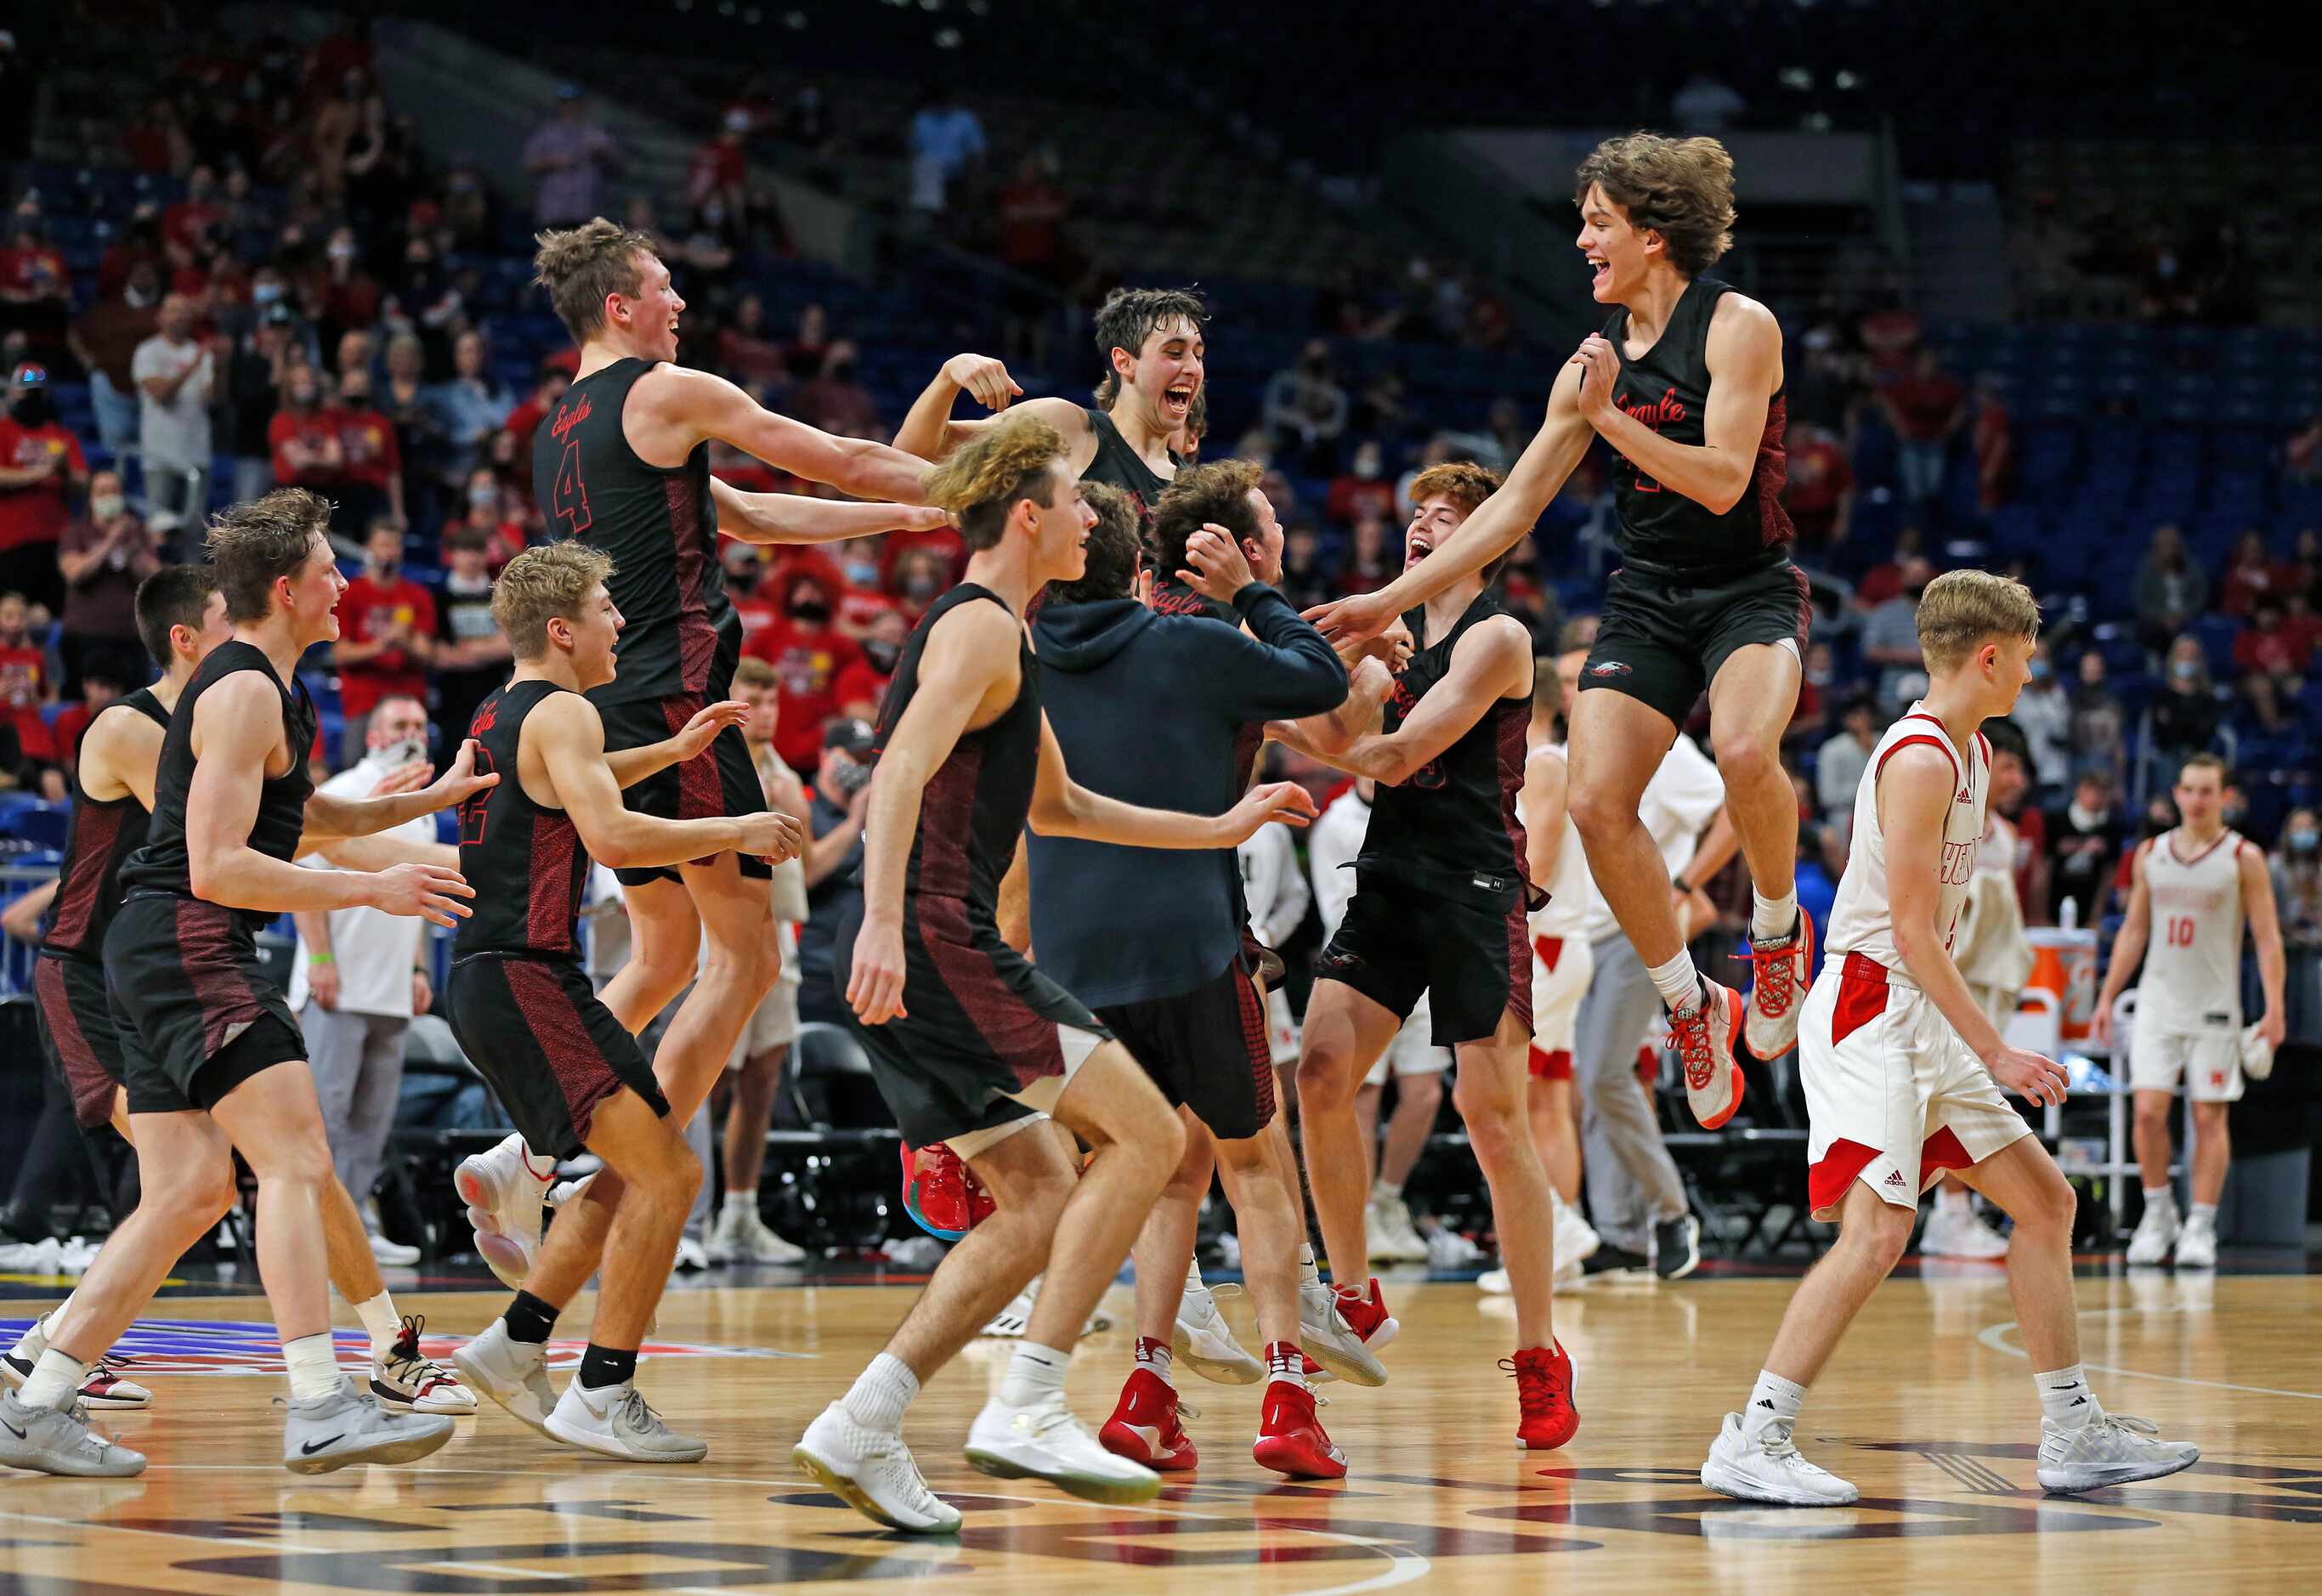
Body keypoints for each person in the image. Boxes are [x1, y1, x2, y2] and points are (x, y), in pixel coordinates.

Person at [790, 413, 1317, 1531]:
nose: (1095, 514)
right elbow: (894, 775)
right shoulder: (981, 628)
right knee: (1154, 1138)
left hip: (929, 938)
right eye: (1079, 499)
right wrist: (883, 918)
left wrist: (1220, 828)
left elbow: (1062, 807)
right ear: (1029, 515)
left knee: (1036, 1197)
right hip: (932, 935)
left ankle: (865, 1419)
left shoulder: (1004, 636)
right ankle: (1029, 1398)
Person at [452, 218, 949, 1286]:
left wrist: (893, 523)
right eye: (666, 290)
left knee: (667, 955)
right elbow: (836, 455)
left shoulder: (559, 426)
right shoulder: (670, 391)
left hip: (612, 709)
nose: (682, 306)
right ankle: (593, 1160)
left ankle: (519, 1151)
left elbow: (741, 515)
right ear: (620, 305)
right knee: (750, 959)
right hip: (674, 700)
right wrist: (961, 485)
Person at [1306, 133, 1811, 1123]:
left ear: (1652, 234)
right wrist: (1386, 601)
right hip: (1650, 594)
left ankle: (1776, 930)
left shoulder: (1736, 325)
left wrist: (1610, 421)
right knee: (1590, 806)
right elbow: (1510, 509)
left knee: (1746, 747)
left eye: (1596, 221)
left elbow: (1719, 479)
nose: (1580, 239)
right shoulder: (1587, 364)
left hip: (1746, 583)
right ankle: (1689, 1001)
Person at [1, 495, 488, 1480]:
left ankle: (36, 1402)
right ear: (284, 588)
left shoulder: (273, 688)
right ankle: (321, 1405)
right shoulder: (240, 692)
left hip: (159, 946)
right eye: (328, 570)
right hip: (188, 941)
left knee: (188, 1190)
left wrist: (427, 803)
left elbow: (287, 824)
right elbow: (218, 866)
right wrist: (374, 889)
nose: (345, 585)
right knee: (301, 1159)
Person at [1700, 569, 2200, 1506]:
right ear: (1988, 655)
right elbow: (1909, 933)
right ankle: (1752, 1436)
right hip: (1870, 1007)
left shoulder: (1969, 754)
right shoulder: (1922, 758)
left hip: (1919, 1010)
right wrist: (1998, 1050)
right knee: (1877, 1232)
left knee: (2044, 1204)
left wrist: (1973, 1042)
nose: (2029, 672)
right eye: (2023, 655)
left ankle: (2069, 1433)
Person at [1021, 470, 1366, 1480]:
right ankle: (1286, 1400)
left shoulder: (1024, 655)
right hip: (1188, 941)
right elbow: (1319, 684)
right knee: (1249, 1164)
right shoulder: (1192, 641)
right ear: (1142, 566)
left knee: (1158, 1165)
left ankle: (1144, 1387)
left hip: (1074, 962)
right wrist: (1252, 594)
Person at [442, 544, 801, 1461]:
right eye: (606, 608)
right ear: (561, 630)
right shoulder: (562, 711)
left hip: (510, 977)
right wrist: (735, 825)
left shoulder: (501, 709)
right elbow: (604, 829)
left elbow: (575, 781)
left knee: (636, 1168)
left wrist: (674, 750)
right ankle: (603, 1389)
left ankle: (515, 1343)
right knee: (671, 1177)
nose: (620, 623)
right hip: (524, 975)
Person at [1268, 461, 1577, 1449]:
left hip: (1476, 891)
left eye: (1447, 517)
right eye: (1416, 516)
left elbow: (1392, 758)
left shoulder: (1498, 636)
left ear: (1487, 539)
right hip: (1392, 880)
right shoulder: (1390, 643)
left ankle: (1539, 1352)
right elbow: (1342, 731)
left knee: (1492, 1122)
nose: (1421, 527)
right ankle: (1353, 1292)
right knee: (1318, 1073)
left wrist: (1275, 721)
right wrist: (1320, 685)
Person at [1552, 642, 1736, 1278]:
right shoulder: (1572, 753)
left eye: (1586, 680)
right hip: (1582, 934)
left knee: (1605, 1076)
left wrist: (1685, 885)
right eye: (1568, 681)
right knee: (1595, 1085)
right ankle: (1623, 1233)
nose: (1576, 693)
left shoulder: (1663, 748)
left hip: (1641, 931)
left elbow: (1736, 808)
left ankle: (1669, 1212)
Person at [2095, 754, 2287, 1270]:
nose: (2197, 800)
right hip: (2158, 1000)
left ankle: (2201, 1224)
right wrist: (2107, 996)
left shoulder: (2244, 857)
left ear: (2225, 797)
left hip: (2215, 1007)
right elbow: (2134, 930)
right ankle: (2158, 1216)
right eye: (2189, 790)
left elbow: (2268, 939)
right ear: (2176, 794)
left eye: (2208, 791)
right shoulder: (2151, 854)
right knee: (2148, 1112)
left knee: (2208, 1115)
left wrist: (2274, 1008)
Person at [287, 695, 442, 1265]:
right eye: (400, 723)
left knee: (372, 1121)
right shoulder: (349, 791)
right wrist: (320, 960)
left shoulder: (420, 808)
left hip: (391, 985)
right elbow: (303, 878)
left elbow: (423, 890)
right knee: (327, 1116)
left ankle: (352, 1228)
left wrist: (419, 967)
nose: (413, 732)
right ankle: (310, 1234)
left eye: (420, 724)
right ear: (373, 735)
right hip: (340, 981)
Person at [1480, 659, 1606, 1297]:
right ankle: (1561, 1250)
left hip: (1543, 944)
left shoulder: (1548, 763)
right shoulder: (1544, 761)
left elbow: (1541, 859)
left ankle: (1553, 1232)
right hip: (1555, 946)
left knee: (1504, 1101)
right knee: (1547, 1104)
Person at [892, 286, 1205, 524]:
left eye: (1198, 355)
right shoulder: (1066, 427)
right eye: (1175, 353)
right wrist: (948, 377)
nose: (1193, 368)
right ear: (1124, 362)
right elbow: (912, 456)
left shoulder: (1194, 492)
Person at [1306, 773, 1446, 1266]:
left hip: (1424, 968)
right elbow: (1332, 909)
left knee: (1425, 1093)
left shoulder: (1423, 809)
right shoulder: (1335, 826)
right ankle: (1361, 1213)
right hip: (1366, 973)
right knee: (1362, 1099)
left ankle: (1389, 1200)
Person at [704, 656, 811, 1266]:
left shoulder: (785, 775)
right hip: (725, 937)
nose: (765, 713)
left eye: (773, 702)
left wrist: (852, 819)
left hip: (781, 937)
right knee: (710, 1079)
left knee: (762, 1078)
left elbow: (810, 871)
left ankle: (741, 1214)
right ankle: (690, 1217)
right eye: (754, 701)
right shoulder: (714, 765)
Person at [332, 518, 436, 765]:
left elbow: (425, 652)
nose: (390, 552)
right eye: (383, 545)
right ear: (369, 548)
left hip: (408, 702)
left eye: (395, 546)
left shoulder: (416, 595)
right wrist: (382, 644)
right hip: (364, 702)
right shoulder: (350, 594)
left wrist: (404, 642)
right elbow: (340, 653)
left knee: (412, 778)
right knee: (356, 777)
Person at [56, 468, 161, 695]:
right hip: (84, 637)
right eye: (102, 492)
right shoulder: (77, 533)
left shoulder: (137, 532)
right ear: (91, 499)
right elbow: (74, 573)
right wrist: (110, 541)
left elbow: (156, 577)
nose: (109, 497)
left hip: (129, 637)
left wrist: (134, 554)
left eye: (114, 491)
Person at [0, 361, 85, 609]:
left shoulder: (61, 435)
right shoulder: (3, 431)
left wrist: (63, 471)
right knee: (14, 611)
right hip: (12, 540)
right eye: (26, 392)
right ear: (13, 393)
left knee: (53, 610)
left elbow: (82, 483)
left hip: (57, 537)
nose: (32, 399)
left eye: (37, 393)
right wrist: (42, 473)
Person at [130, 295, 216, 530]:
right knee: (159, 532)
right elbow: (161, 395)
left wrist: (224, 366)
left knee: (195, 534)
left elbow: (213, 398)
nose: (179, 316)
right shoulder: (148, 352)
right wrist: (193, 366)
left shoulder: (201, 353)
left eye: (184, 311)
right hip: (160, 457)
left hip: (196, 454)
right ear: (160, 317)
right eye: (173, 310)